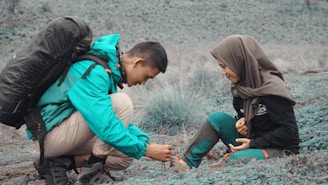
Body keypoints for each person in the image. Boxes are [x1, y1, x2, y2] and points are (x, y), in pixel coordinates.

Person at [28, 34, 172, 184]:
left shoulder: (107, 70)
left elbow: (112, 120)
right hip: (49, 137)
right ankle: (92, 172)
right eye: (147, 76)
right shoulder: (95, 72)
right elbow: (107, 125)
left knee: (125, 155)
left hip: (63, 134)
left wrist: (145, 144)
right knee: (122, 103)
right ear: (137, 62)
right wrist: (146, 151)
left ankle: (58, 163)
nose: (143, 83)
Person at [171, 35, 300, 171]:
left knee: (235, 159)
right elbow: (249, 116)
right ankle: (186, 164)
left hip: (279, 149)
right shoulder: (241, 88)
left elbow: (289, 132)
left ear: (239, 61)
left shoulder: (272, 89)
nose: (222, 72)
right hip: (252, 141)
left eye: (224, 66)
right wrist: (242, 122)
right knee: (217, 119)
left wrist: (253, 143)